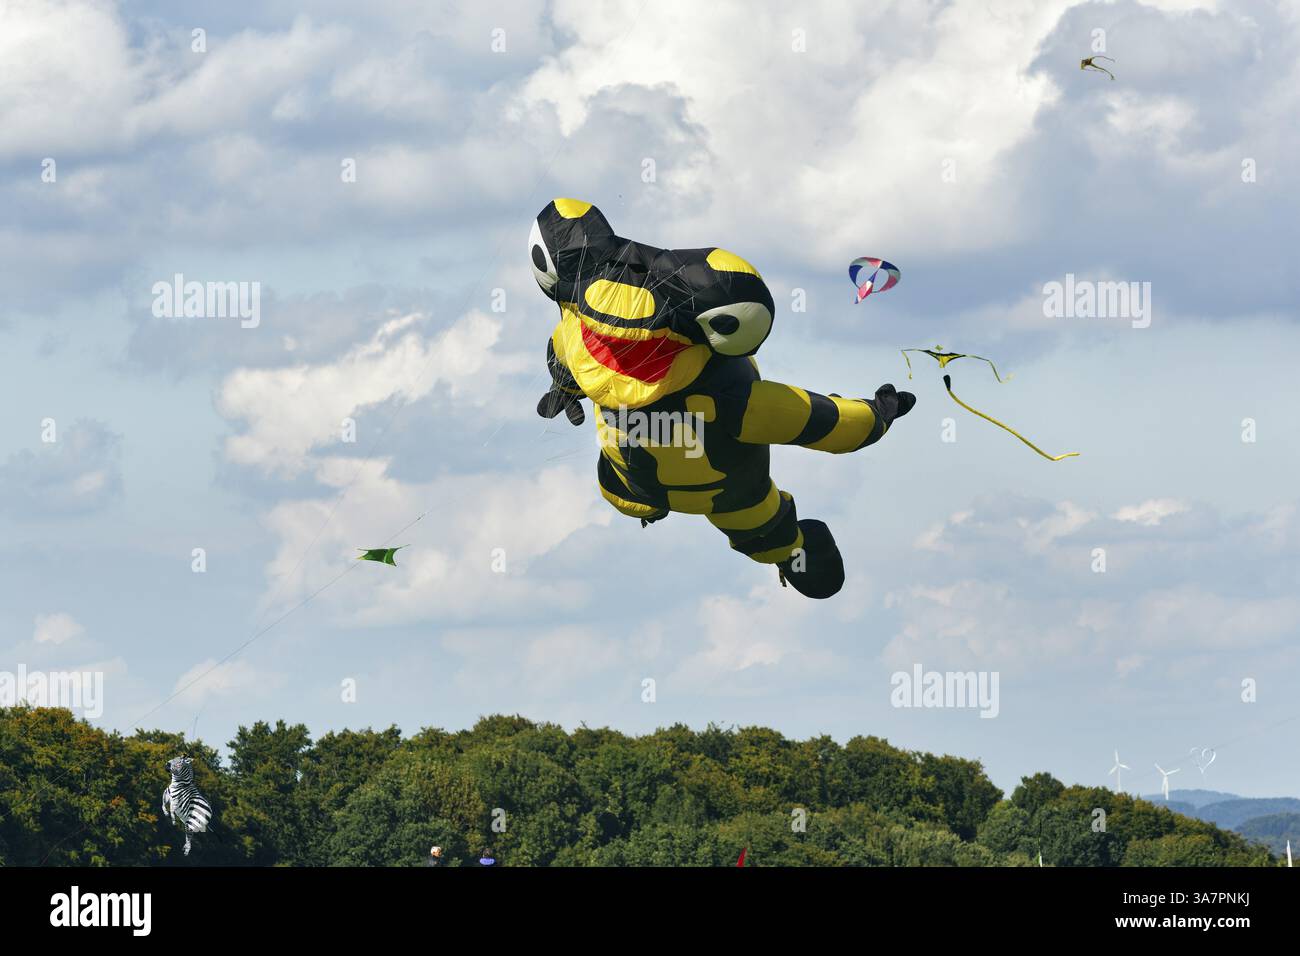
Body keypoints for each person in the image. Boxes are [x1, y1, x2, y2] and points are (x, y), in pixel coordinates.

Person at [530, 198, 914, 598]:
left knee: (668, 500)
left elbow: (568, 352)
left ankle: (776, 546)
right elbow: (827, 424)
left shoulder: (579, 336)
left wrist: (565, 387)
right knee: (764, 534)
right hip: (718, 493)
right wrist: (879, 415)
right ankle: (790, 550)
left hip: (632, 490)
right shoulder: (733, 399)